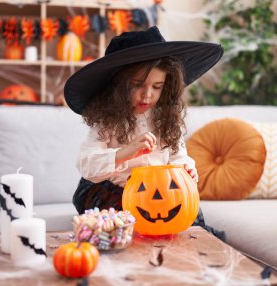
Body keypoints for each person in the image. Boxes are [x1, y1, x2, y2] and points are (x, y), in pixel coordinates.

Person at [64, 26, 224, 216]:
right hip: (114, 191)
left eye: (157, 86)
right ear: (118, 86)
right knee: (123, 223)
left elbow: (177, 156)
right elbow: (86, 164)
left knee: (184, 216)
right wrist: (125, 152)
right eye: (137, 85)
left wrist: (185, 170)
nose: (147, 95)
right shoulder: (107, 121)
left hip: (160, 191)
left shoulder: (166, 119)